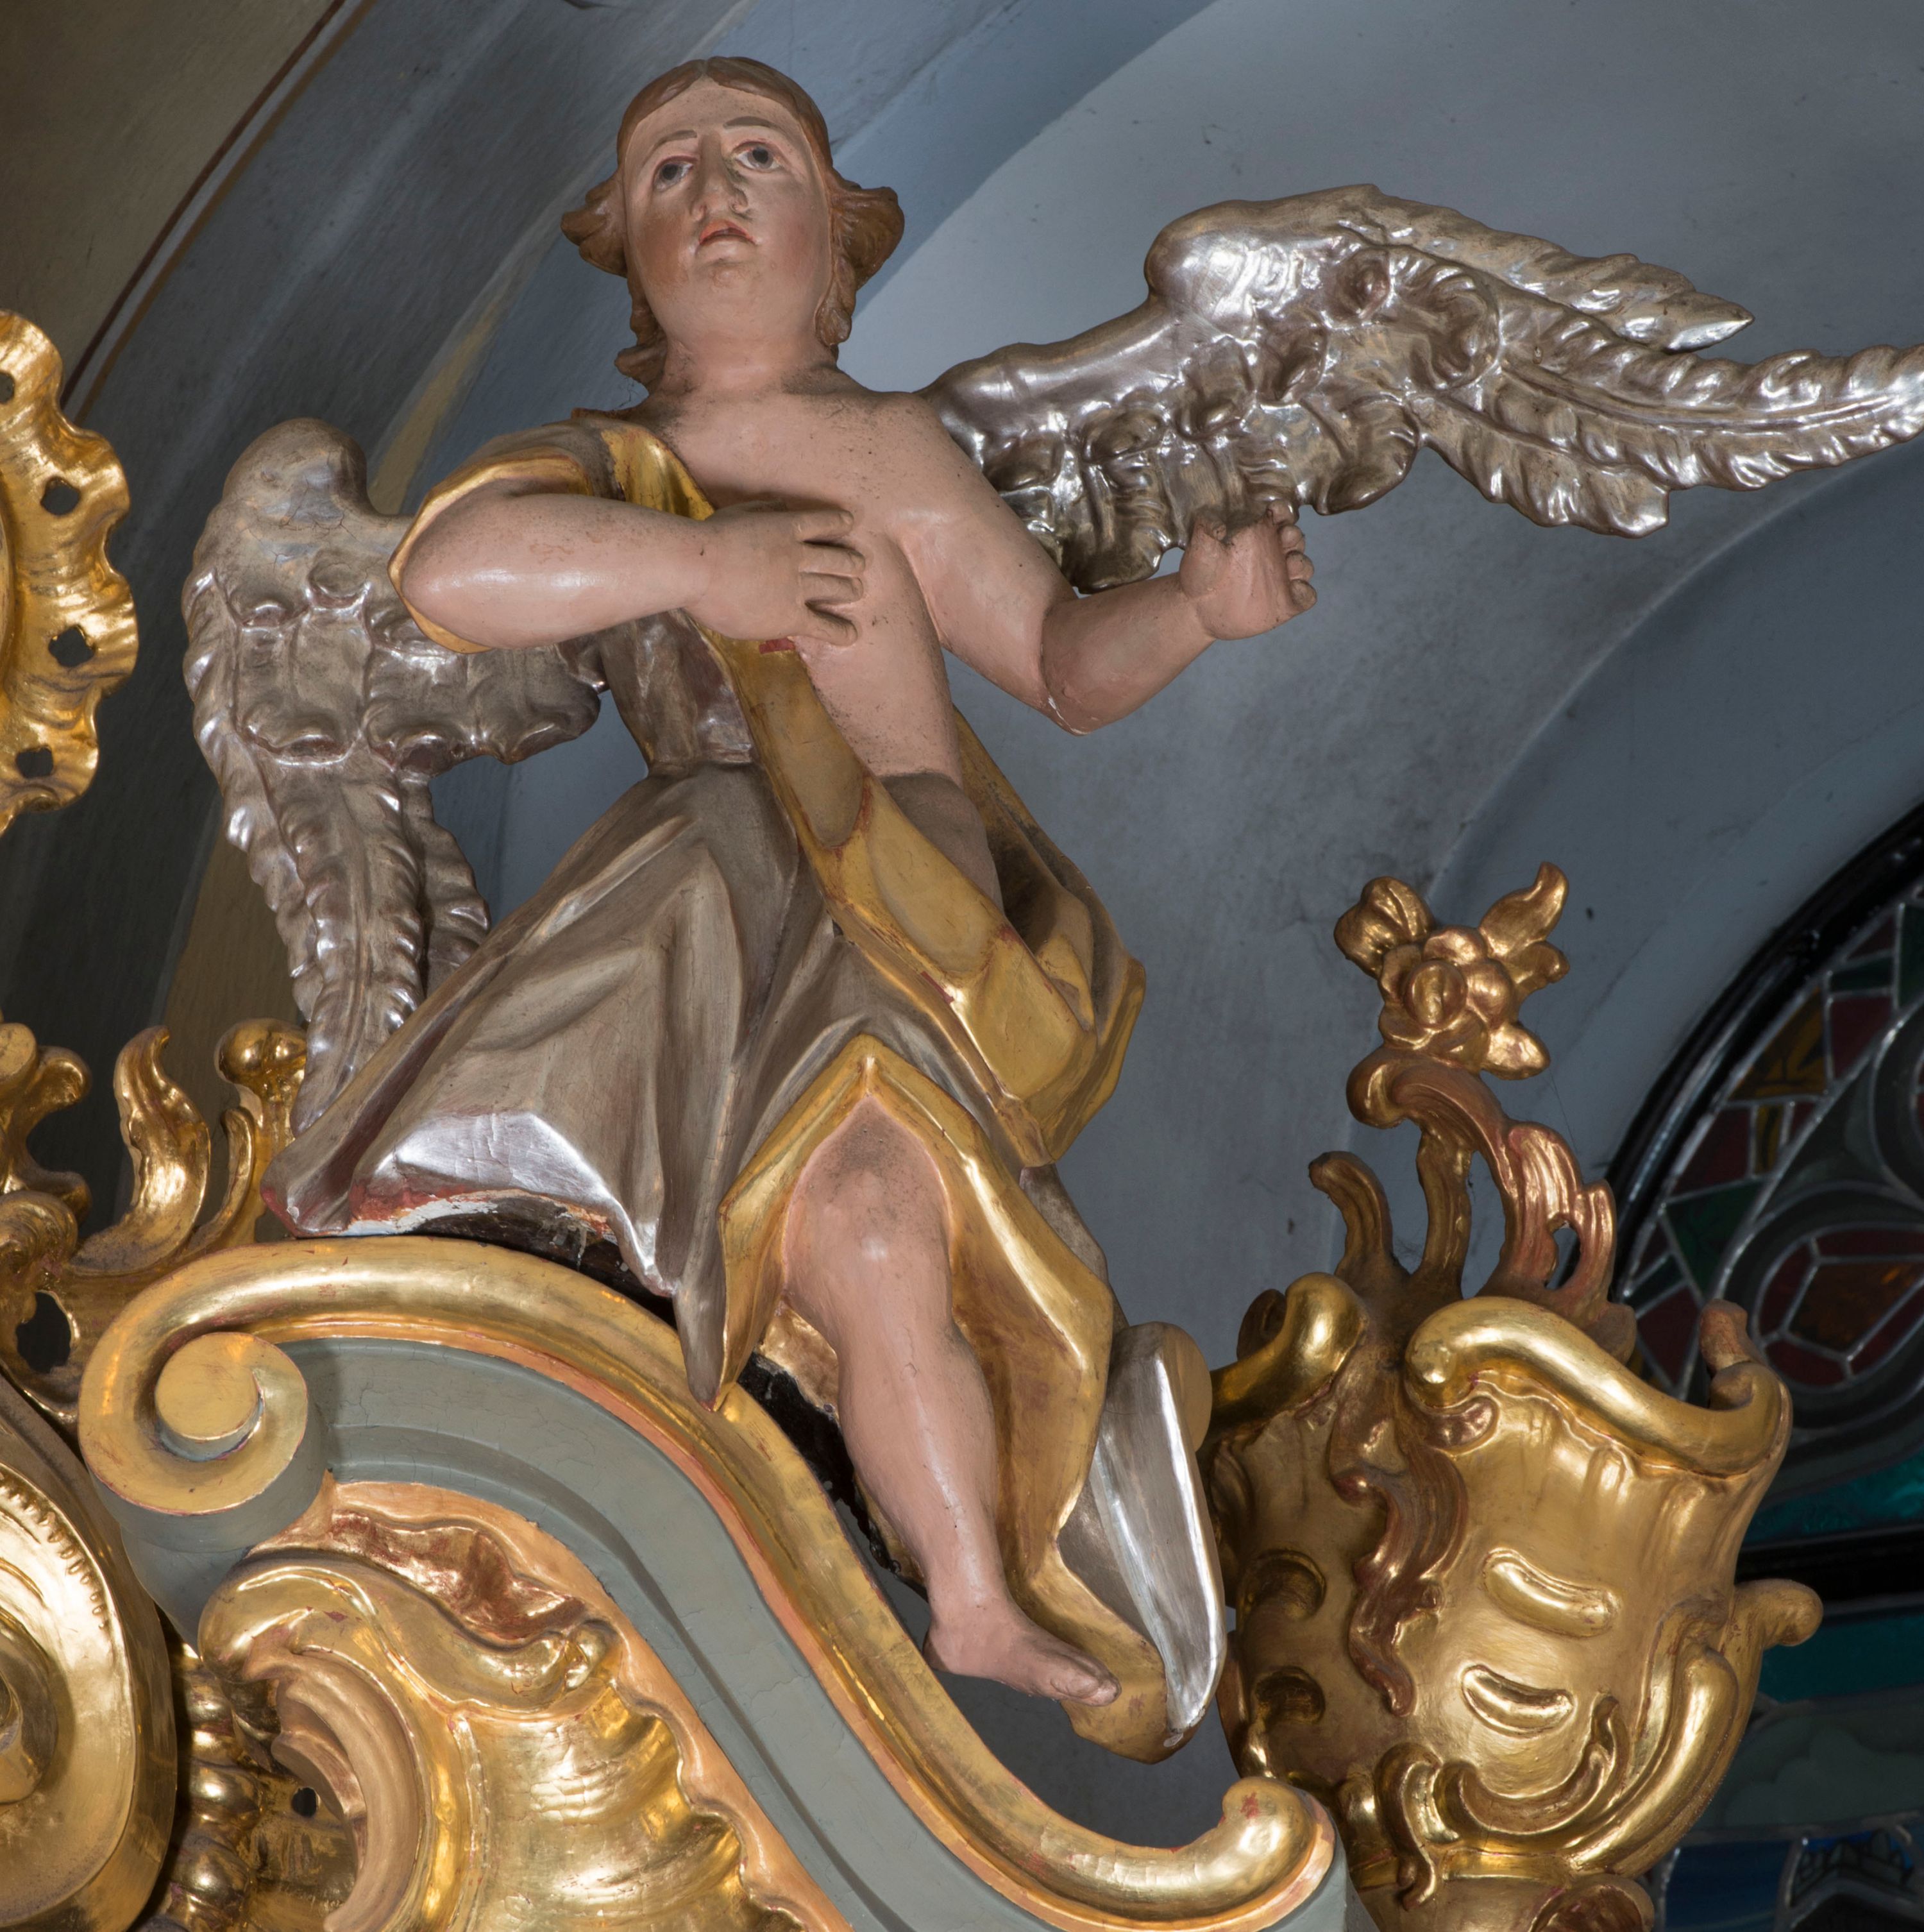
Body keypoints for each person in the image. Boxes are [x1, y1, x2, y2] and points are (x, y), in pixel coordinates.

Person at [269, 55, 1313, 1725]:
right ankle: (531, 1336)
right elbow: (450, 571)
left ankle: (969, 1594)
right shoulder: (613, 461)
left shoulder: (889, 450)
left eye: (757, 157)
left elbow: (1058, 661)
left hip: (902, 886)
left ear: (836, 238)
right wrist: (708, 562)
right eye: (669, 169)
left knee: (880, 1213)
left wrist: (1194, 611)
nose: (714, 190)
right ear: (630, 254)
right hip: (710, 875)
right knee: (763, 1158)